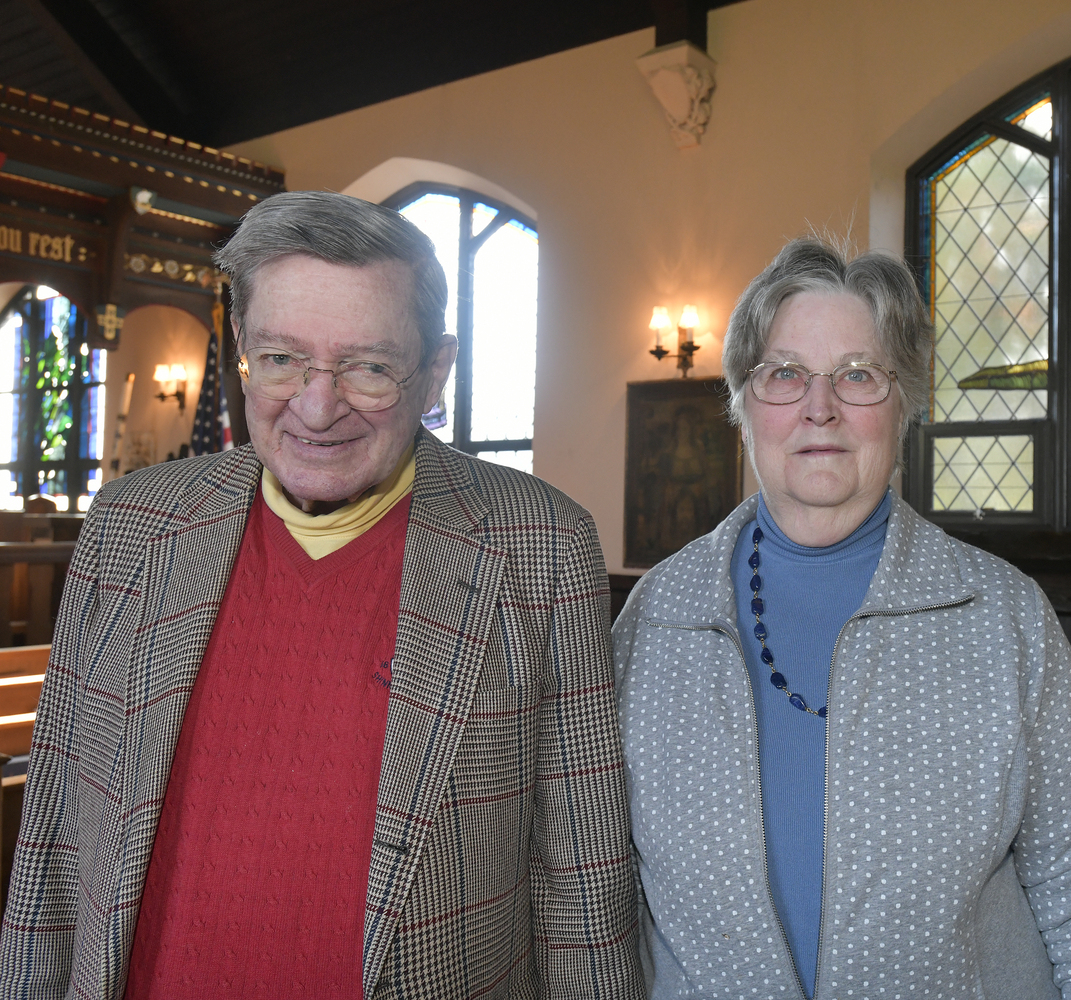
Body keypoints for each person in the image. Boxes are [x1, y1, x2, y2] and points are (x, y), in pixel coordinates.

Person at [1, 191, 644, 1000]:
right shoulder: (133, 525)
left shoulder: (538, 546)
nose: (315, 405)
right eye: (281, 359)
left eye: (369, 367)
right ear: (243, 348)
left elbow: (580, 875)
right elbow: (55, 831)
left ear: (434, 370)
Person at [614, 237, 1071, 999]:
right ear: (743, 403)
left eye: (858, 375)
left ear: (903, 400)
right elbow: (600, 900)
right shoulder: (656, 618)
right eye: (785, 374)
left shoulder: (1001, 616)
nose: (820, 407)